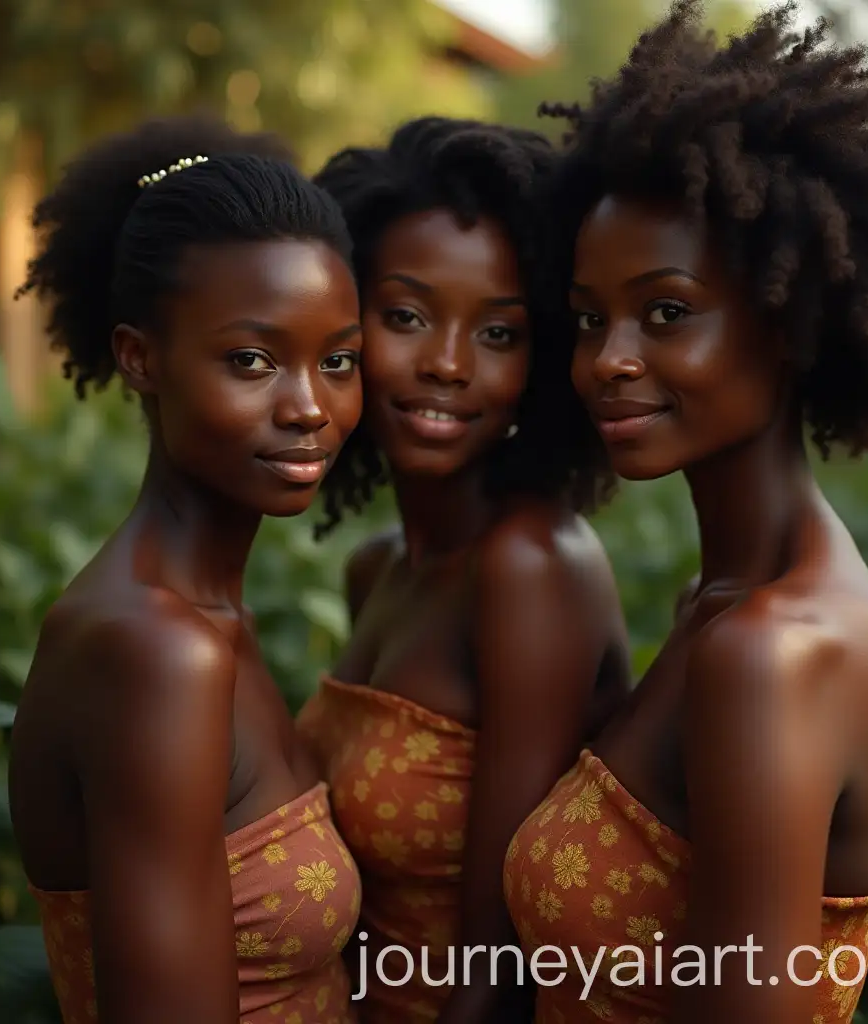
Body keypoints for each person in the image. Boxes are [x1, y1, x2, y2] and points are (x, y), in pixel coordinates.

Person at [502, 2, 868, 1022]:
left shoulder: (774, 651)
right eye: (590, 319)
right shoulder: (720, 601)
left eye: (666, 311)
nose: (607, 359)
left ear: (789, 313)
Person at [8, 115, 367, 1024]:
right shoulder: (154, 651)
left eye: (338, 361)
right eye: (252, 360)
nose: (309, 407)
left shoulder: (205, 619)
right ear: (140, 358)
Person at [294, 116, 632, 1022]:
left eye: (499, 334)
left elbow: (499, 963)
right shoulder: (378, 570)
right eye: (405, 315)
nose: (446, 365)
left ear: (546, 358)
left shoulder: (530, 568)